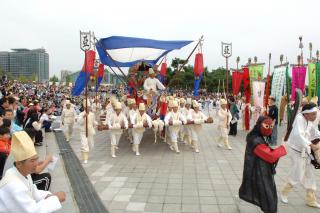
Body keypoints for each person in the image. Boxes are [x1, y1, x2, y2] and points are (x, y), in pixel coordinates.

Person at [0, 131, 65, 212]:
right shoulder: (14, 185)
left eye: (36, 159)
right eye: (32, 161)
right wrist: (56, 199)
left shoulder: (24, 173)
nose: (36, 163)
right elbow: (32, 211)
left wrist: (49, 195)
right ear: (19, 164)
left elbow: (34, 192)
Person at [239, 116, 287, 213]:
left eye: (271, 126)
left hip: (261, 170)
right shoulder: (255, 140)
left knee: (262, 192)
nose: (269, 129)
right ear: (259, 126)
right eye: (266, 126)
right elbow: (270, 155)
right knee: (268, 195)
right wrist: (283, 147)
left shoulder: (258, 137)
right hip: (258, 172)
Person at [280, 103, 320, 208]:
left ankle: (311, 199)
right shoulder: (299, 119)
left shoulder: (308, 120)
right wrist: (311, 145)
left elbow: (314, 132)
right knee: (297, 173)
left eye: (316, 114)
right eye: (314, 114)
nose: (315, 116)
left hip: (305, 150)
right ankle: (284, 192)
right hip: (296, 150)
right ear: (306, 114)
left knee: (309, 174)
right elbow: (298, 135)